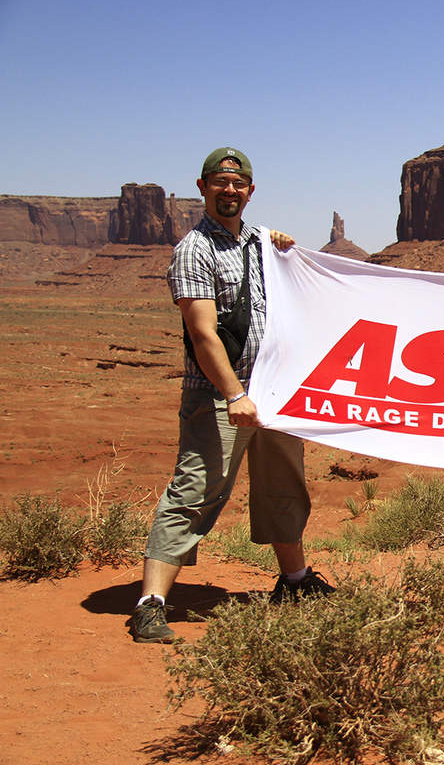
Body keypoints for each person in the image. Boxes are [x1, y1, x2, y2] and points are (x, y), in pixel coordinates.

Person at [129, 147, 333, 643]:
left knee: (283, 486)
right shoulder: (194, 249)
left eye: (238, 184)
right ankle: (150, 604)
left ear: (250, 190)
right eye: (219, 184)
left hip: (275, 394)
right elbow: (202, 334)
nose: (229, 191)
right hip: (222, 396)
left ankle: (295, 580)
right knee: (195, 489)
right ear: (202, 188)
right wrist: (234, 394)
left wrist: (283, 243)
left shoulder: (261, 241)